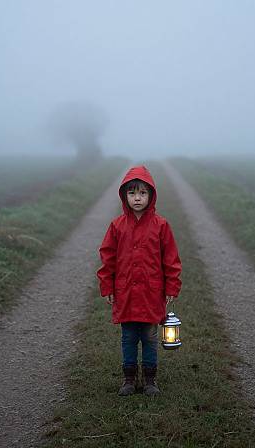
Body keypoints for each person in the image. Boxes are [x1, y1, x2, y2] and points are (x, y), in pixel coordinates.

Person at [97, 165, 182, 396]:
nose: (137, 198)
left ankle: (150, 380)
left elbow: (171, 259)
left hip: (151, 294)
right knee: (128, 337)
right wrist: (107, 286)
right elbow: (108, 258)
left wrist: (172, 285)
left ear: (151, 195)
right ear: (124, 195)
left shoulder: (161, 226)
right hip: (125, 293)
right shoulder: (117, 226)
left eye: (142, 193)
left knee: (150, 337)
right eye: (132, 193)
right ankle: (128, 379)